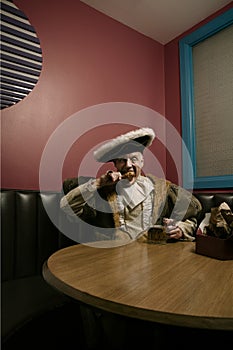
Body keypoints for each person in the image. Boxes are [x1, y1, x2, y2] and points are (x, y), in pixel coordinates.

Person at [60, 127, 202, 243]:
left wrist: (181, 229)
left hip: (152, 258)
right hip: (110, 260)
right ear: (115, 164)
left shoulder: (162, 189)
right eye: (122, 160)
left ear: (142, 162)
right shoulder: (102, 192)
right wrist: (99, 183)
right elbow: (67, 207)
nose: (128, 165)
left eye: (134, 159)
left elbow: (192, 218)